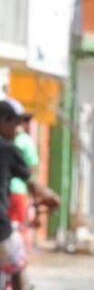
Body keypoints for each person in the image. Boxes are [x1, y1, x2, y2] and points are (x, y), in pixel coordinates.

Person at [0, 99, 58, 290]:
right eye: (15, 124)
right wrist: (52, 198)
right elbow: (33, 183)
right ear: (3, 122)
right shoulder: (9, 150)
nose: (20, 129)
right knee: (18, 267)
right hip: (1, 226)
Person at [8, 101, 39, 248]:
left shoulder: (16, 141)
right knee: (17, 232)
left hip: (12, 192)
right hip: (18, 192)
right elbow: (32, 170)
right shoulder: (25, 141)